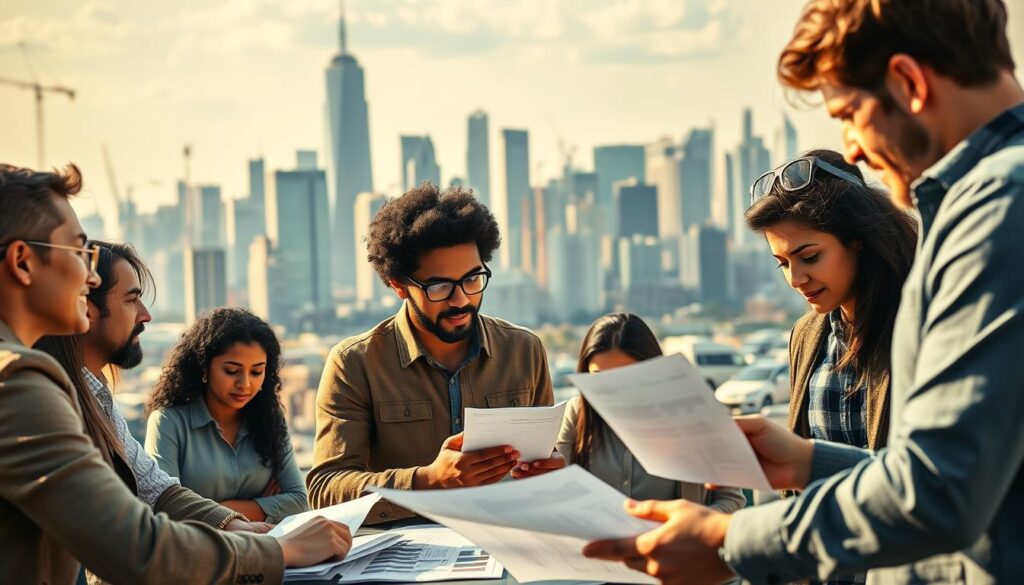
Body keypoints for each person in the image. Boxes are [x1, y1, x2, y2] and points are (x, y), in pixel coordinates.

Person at [583, 1, 1024, 583]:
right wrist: (809, 461)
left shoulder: (999, 209)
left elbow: (940, 491)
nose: (855, 149)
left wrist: (729, 541)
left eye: (847, 113)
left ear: (909, 82)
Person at [0, 163, 350, 584]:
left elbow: (154, 488)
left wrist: (231, 523)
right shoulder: (17, 380)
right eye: (79, 252)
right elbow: (134, 546)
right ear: (22, 262)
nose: (88, 275)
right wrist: (277, 550)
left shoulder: (86, 388)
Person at [306, 182, 557, 524]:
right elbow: (325, 490)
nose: (461, 300)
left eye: (472, 279)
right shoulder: (354, 364)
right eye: (440, 286)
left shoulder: (524, 350)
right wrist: (428, 481)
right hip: (405, 560)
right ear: (398, 285)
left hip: (509, 544)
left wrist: (552, 471)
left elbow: (547, 463)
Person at [745, 149, 917, 585]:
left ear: (857, 239)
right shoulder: (806, 334)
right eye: (782, 263)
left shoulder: (922, 326)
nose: (795, 279)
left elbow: (928, 479)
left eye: (809, 256)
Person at [35, 241, 273, 534]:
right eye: (131, 299)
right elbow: (122, 529)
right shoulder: (51, 402)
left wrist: (240, 526)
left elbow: (157, 491)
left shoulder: (95, 393)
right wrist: (267, 553)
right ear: (87, 308)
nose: (145, 314)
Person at [513, 312, 745, 514]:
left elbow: (731, 499)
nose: (615, 393)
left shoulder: (695, 416)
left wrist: (694, 526)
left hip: (674, 559)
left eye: (627, 378)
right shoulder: (576, 414)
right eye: (601, 381)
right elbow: (557, 492)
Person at [146, 307, 309, 524]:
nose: (245, 384)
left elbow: (298, 502)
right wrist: (260, 506)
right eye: (232, 371)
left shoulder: (269, 419)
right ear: (204, 366)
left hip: (264, 550)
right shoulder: (168, 422)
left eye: (256, 371)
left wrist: (213, 508)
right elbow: (164, 512)